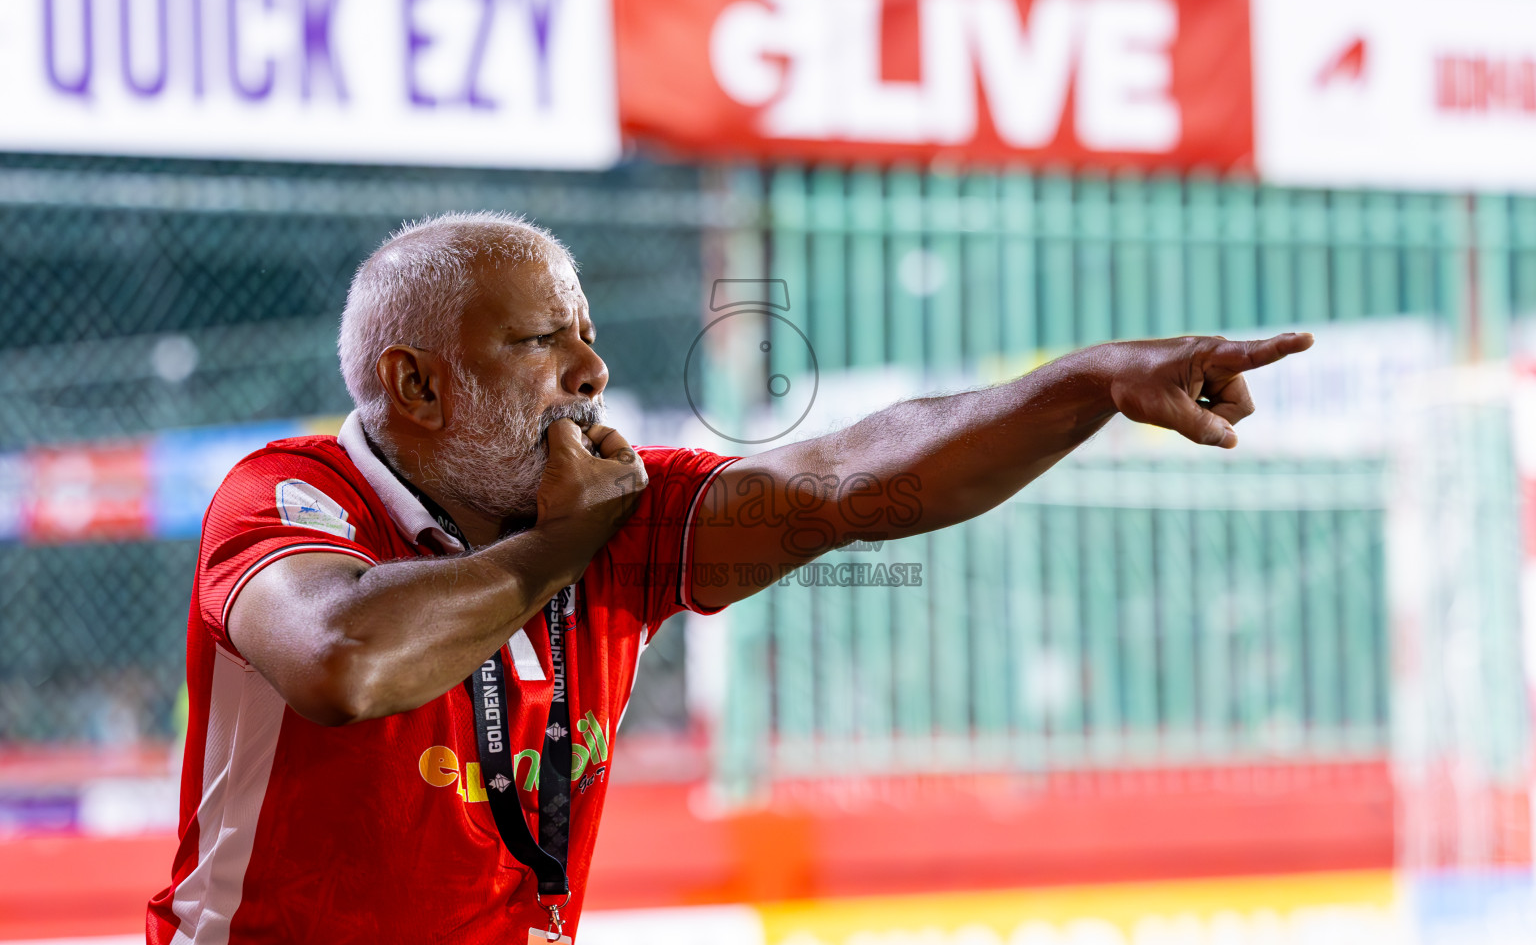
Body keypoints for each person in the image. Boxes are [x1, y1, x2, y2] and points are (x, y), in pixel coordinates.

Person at [148, 212, 1311, 943]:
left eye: (586, 333)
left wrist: (1087, 386)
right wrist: (557, 550)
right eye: (539, 341)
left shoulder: (612, 499)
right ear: (416, 384)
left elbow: (852, 477)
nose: (592, 368)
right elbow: (345, 660)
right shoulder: (289, 493)